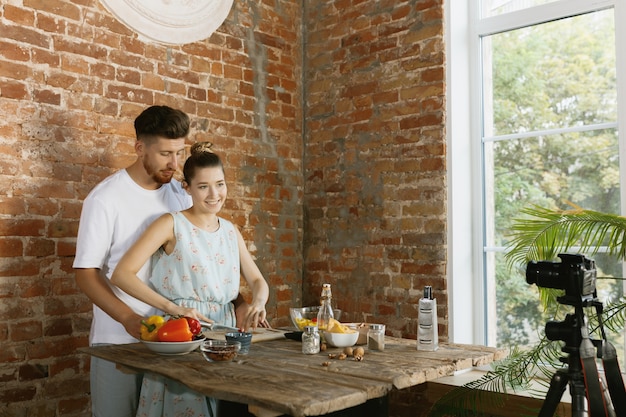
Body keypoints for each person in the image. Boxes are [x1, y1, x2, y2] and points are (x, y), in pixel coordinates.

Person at [73, 106, 257, 417]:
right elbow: (86, 273)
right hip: (120, 339)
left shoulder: (181, 193)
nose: (175, 163)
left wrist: (238, 301)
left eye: (179, 152)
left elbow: (204, 259)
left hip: (177, 342)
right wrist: (129, 319)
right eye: (165, 153)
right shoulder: (105, 199)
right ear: (139, 147)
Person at [111, 141, 270, 416]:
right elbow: (121, 274)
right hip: (182, 336)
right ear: (187, 187)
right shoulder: (170, 223)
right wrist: (174, 308)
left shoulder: (231, 231)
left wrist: (258, 302)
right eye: (203, 186)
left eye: (220, 184)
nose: (214, 194)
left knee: (229, 408)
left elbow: (257, 281)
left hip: (227, 337)